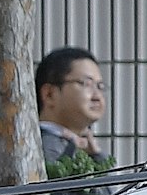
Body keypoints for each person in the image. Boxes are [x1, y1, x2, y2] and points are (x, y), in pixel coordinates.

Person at [34, 47, 107, 179]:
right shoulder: (38, 146)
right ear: (49, 94)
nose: (97, 96)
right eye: (86, 84)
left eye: (100, 86)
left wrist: (96, 156)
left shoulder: (88, 147)